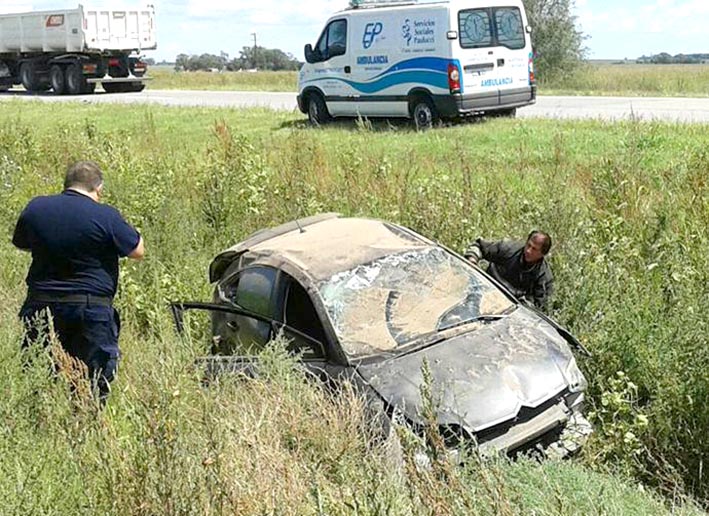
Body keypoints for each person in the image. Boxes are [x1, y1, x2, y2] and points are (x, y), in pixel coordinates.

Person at [12, 160, 144, 401]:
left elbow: (21, 243)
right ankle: (86, 427)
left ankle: (40, 425)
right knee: (93, 382)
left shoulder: (36, 208)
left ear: (66, 184)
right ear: (99, 188)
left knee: (37, 377)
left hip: (41, 305)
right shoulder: (106, 215)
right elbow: (137, 251)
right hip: (89, 309)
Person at [465, 231, 553, 309]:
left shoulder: (543, 277)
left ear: (543, 253)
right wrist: (472, 262)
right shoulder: (508, 249)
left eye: (534, 249)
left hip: (506, 311)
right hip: (482, 292)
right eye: (528, 245)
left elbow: (538, 308)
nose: (528, 251)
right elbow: (479, 246)